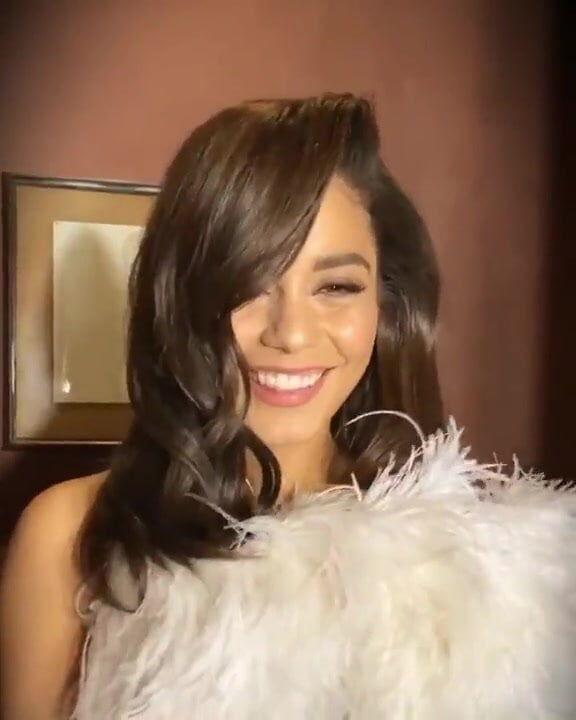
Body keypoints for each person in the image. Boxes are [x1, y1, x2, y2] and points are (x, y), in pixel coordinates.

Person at [1, 93, 575, 720]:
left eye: (336, 286)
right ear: (182, 303)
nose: (292, 334)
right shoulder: (71, 535)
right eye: (248, 286)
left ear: (386, 304)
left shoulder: (481, 555)